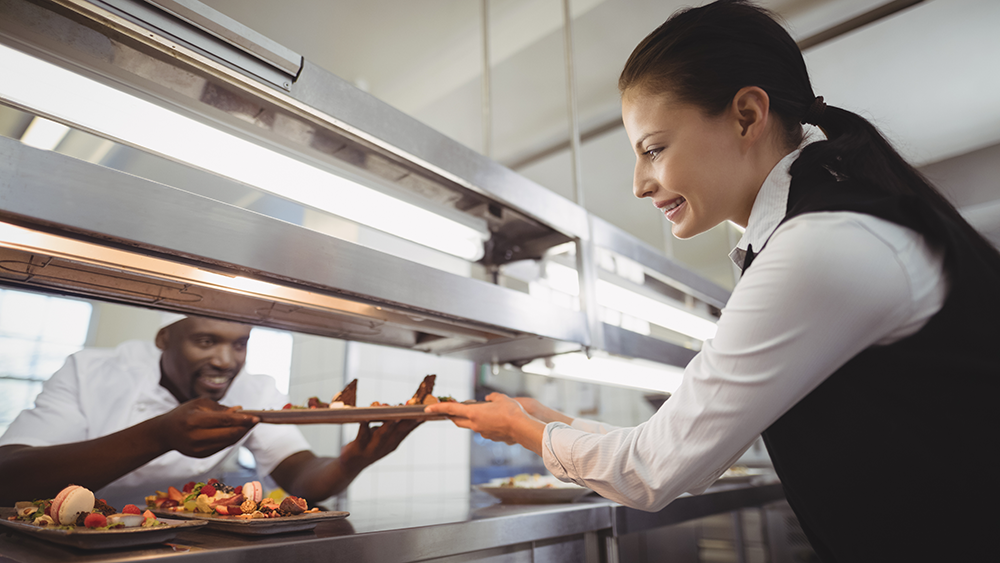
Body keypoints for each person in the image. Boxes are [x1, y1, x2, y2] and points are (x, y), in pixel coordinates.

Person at [428, 1, 999, 560]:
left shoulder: (820, 246)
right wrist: (546, 422)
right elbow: (682, 446)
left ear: (747, 115)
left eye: (653, 149)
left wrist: (521, 429)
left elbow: (652, 469)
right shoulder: (821, 222)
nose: (638, 184)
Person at [0, 315, 420, 509]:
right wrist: (159, 435)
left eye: (240, 343)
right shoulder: (91, 371)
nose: (226, 360)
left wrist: (352, 461)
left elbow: (301, 477)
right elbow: (9, 477)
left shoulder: (254, 388)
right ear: (165, 338)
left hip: (179, 540)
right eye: (206, 341)